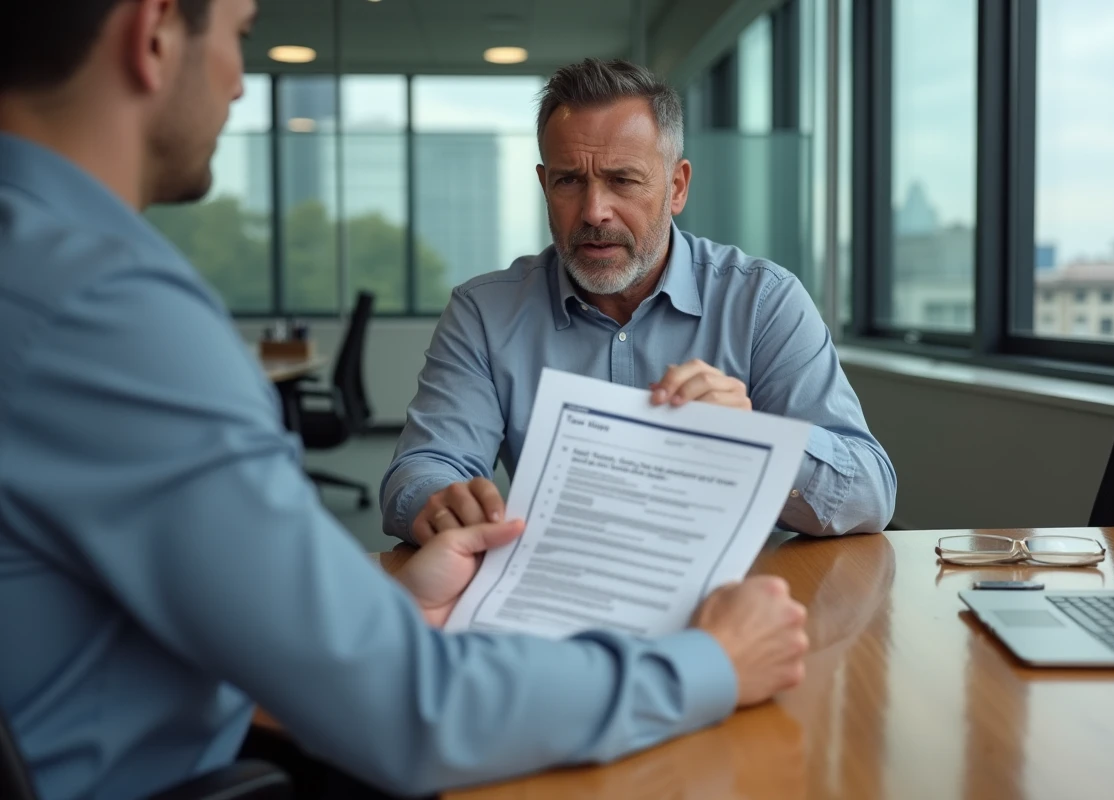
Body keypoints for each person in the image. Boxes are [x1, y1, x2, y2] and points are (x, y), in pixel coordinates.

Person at [0, 2, 811, 799]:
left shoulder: (42, 268)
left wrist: (388, 604)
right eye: (243, 37)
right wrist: (711, 664)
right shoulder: (105, 309)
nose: (242, 86)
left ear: (676, 186)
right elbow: (411, 708)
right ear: (154, 33)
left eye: (621, 180)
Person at [382, 59, 897, 547]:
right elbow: (421, 470)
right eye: (569, 181)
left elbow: (870, 494)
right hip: (561, 596)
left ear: (676, 187)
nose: (595, 211)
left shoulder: (762, 300)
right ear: (544, 186)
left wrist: (759, 440)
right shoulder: (484, 313)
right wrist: (443, 503)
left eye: (622, 180)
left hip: (731, 605)